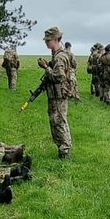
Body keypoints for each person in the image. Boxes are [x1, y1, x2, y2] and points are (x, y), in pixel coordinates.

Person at [39, 26, 72, 158]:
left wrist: (46, 68)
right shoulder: (56, 55)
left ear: (57, 39)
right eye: (46, 40)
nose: (46, 42)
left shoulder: (59, 57)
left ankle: (65, 151)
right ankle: (62, 149)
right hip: (54, 95)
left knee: (59, 122)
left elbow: (59, 77)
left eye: (49, 40)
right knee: (55, 121)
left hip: (59, 95)